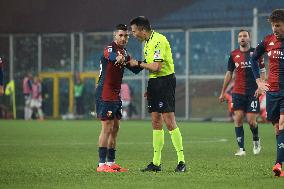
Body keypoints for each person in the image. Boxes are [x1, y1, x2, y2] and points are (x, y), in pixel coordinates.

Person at [129, 16, 186, 172]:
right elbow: (152, 69)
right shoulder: (147, 42)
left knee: (169, 120)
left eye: (134, 31)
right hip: (155, 83)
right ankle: (156, 163)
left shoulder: (158, 40)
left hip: (165, 81)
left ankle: (181, 161)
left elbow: (157, 67)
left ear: (142, 29)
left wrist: (138, 63)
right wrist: (151, 87)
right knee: (155, 121)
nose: (133, 34)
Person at [95, 24, 142, 173]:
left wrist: (144, 63)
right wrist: (119, 57)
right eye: (121, 35)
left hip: (116, 94)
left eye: (126, 36)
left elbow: (134, 69)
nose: (123, 38)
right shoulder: (110, 48)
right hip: (105, 93)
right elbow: (110, 56)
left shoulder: (125, 52)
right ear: (115, 36)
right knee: (107, 127)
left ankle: (111, 162)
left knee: (115, 128)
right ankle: (101, 165)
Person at [219, 29, 265, 156]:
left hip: (253, 92)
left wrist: (260, 86)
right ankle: (241, 149)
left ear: (249, 38)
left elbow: (262, 71)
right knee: (238, 118)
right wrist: (223, 92)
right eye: (240, 36)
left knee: (251, 121)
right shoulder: (233, 54)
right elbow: (229, 73)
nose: (242, 38)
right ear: (238, 39)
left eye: (245, 36)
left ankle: (256, 139)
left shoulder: (256, 53)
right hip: (238, 92)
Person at [250, 9, 284, 177]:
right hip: (272, 91)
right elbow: (253, 58)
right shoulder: (268, 41)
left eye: (278, 25)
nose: (274, 29)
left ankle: (277, 164)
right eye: (272, 25)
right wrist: (258, 81)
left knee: (283, 124)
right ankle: (280, 163)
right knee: (277, 128)